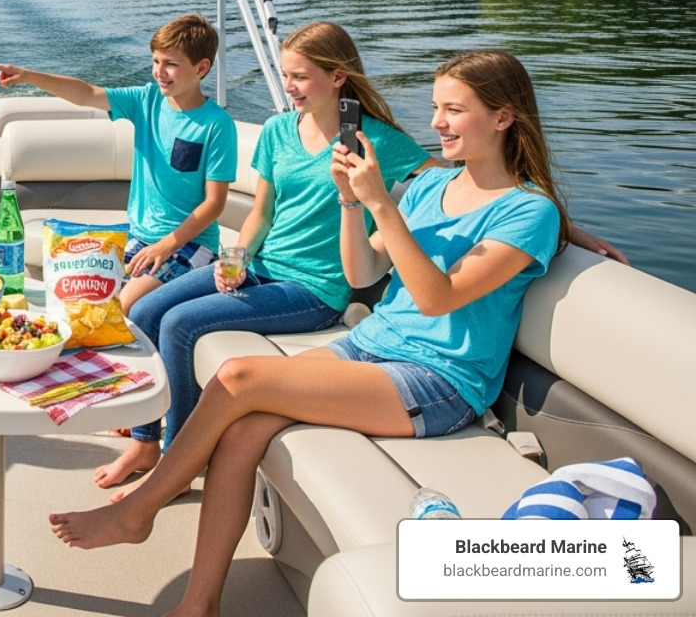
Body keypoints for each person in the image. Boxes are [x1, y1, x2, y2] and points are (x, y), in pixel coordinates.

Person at [48, 50, 569, 617]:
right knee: (242, 430)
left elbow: (436, 298)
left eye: (453, 110)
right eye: (435, 107)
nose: (436, 122)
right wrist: (350, 199)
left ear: (503, 117)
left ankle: (139, 511)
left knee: (238, 376)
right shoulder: (430, 188)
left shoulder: (528, 212)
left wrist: (379, 202)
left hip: (440, 379)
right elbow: (362, 273)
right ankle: (199, 606)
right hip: (371, 345)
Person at [101, 20, 431, 489]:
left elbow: (449, 178)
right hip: (258, 267)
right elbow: (261, 213)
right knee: (146, 310)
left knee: (178, 323)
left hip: (314, 290)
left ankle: (178, 462)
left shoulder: (372, 140)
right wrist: (234, 259)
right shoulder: (277, 130)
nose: (288, 87)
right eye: (284, 75)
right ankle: (145, 441)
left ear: (338, 77)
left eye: (299, 77)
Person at [0, 13, 237, 311]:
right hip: (139, 237)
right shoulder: (146, 100)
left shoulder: (217, 124)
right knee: (76, 296)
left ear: (201, 68)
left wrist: (167, 244)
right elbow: (87, 94)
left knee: (121, 307)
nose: (159, 71)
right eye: (156, 61)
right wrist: (29, 76)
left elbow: (214, 203)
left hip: (189, 244)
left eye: (171, 63)